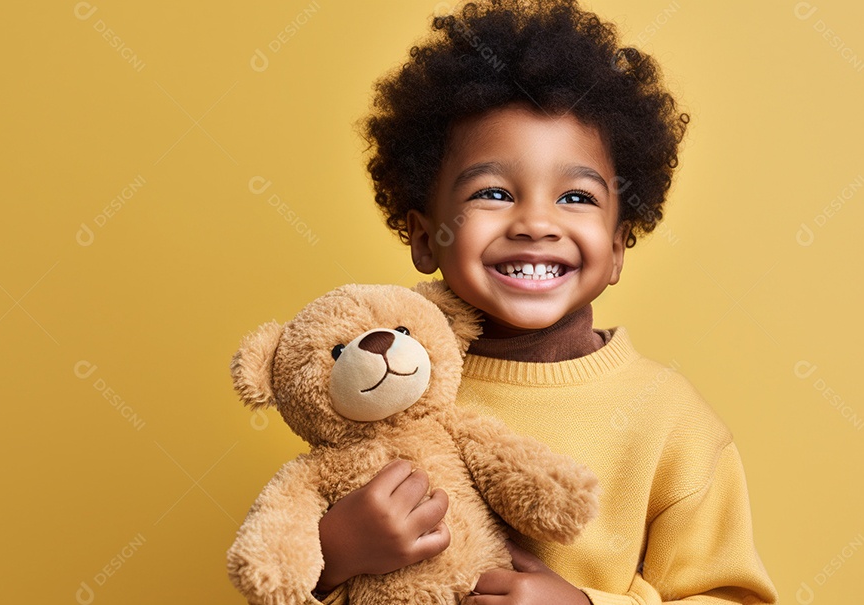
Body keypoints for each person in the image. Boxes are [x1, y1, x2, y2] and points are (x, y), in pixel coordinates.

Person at [312, 1, 778, 603]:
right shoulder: (380, 386)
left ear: (615, 248)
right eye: (495, 192)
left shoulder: (670, 423)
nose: (536, 222)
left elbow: (735, 597)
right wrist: (332, 556)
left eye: (576, 198)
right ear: (426, 237)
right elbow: (273, 566)